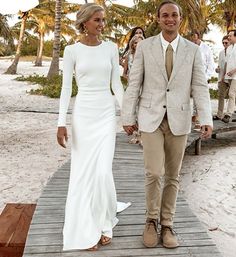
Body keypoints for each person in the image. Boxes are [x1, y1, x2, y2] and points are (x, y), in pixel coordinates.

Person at [122, 0, 213, 249]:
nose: (170, 19)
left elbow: (200, 87)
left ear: (180, 19)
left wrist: (205, 118)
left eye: (174, 15)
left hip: (180, 120)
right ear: (158, 19)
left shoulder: (192, 50)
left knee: (173, 176)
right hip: (151, 118)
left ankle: (168, 223)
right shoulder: (145, 47)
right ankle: (150, 221)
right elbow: (134, 84)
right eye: (165, 15)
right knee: (154, 172)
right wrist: (127, 116)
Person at [57, 3, 126, 251]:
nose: (101, 24)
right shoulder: (71, 50)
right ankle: (87, 227)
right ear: (84, 22)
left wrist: (127, 113)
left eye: (103, 20)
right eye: (97, 20)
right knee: (83, 172)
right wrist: (60, 122)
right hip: (83, 114)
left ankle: (105, 223)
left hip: (106, 113)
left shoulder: (111, 48)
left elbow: (116, 85)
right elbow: (66, 88)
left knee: (102, 171)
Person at [191, 30, 215, 129]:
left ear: (198, 36)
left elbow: (211, 64)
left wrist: (207, 76)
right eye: (192, 37)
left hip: (203, 77)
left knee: (201, 99)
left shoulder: (206, 48)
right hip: (192, 77)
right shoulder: (189, 47)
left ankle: (200, 121)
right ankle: (195, 120)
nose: (193, 39)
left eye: (194, 37)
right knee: (194, 100)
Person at [213, 35, 230, 120]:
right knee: (221, 96)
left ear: (230, 42)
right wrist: (217, 69)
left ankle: (230, 114)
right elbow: (220, 65)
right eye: (223, 43)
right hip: (221, 78)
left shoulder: (233, 52)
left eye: (226, 42)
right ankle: (219, 114)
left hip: (231, 77)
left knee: (233, 95)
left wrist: (225, 75)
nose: (224, 44)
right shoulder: (221, 53)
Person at [221, 29, 236, 123]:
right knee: (234, 95)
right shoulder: (230, 48)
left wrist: (233, 71)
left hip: (235, 75)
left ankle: (228, 115)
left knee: (231, 94)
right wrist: (224, 75)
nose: (229, 37)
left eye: (230, 36)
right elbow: (227, 62)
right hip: (230, 76)